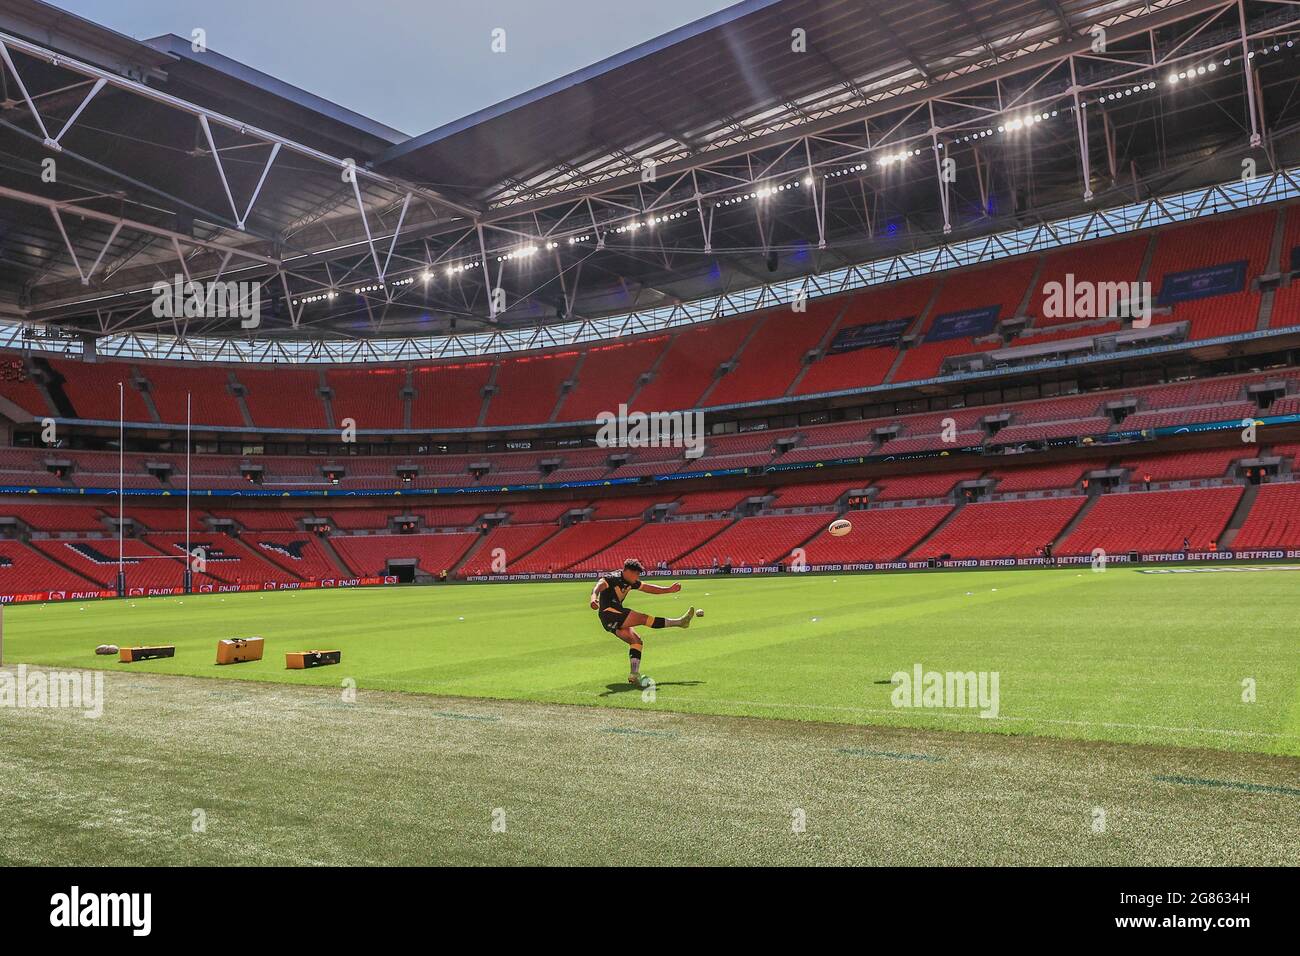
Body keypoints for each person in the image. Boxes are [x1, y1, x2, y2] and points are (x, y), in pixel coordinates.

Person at [589, 558, 694, 684]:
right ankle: (680, 622)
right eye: (636, 574)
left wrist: (668, 590)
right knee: (643, 618)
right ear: (628, 571)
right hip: (609, 613)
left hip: (611, 618)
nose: (637, 577)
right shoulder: (612, 578)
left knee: (636, 641)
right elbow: (598, 586)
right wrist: (593, 598)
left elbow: (648, 588)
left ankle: (634, 675)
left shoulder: (630, 581)